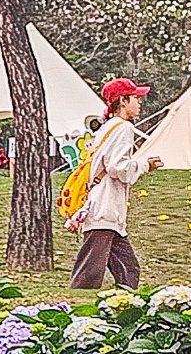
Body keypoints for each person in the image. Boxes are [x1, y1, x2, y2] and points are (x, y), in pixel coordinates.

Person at [68, 76, 160, 290]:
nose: (140, 103)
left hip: (105, 211)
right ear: (123, 101)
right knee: (88, 274)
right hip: (105, 209)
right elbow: (117, 167)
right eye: (136, 98)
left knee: (128, 270)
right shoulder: (123, 128)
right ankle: (77, 310)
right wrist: (144, 165)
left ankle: (124, 307)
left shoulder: (107, 128)